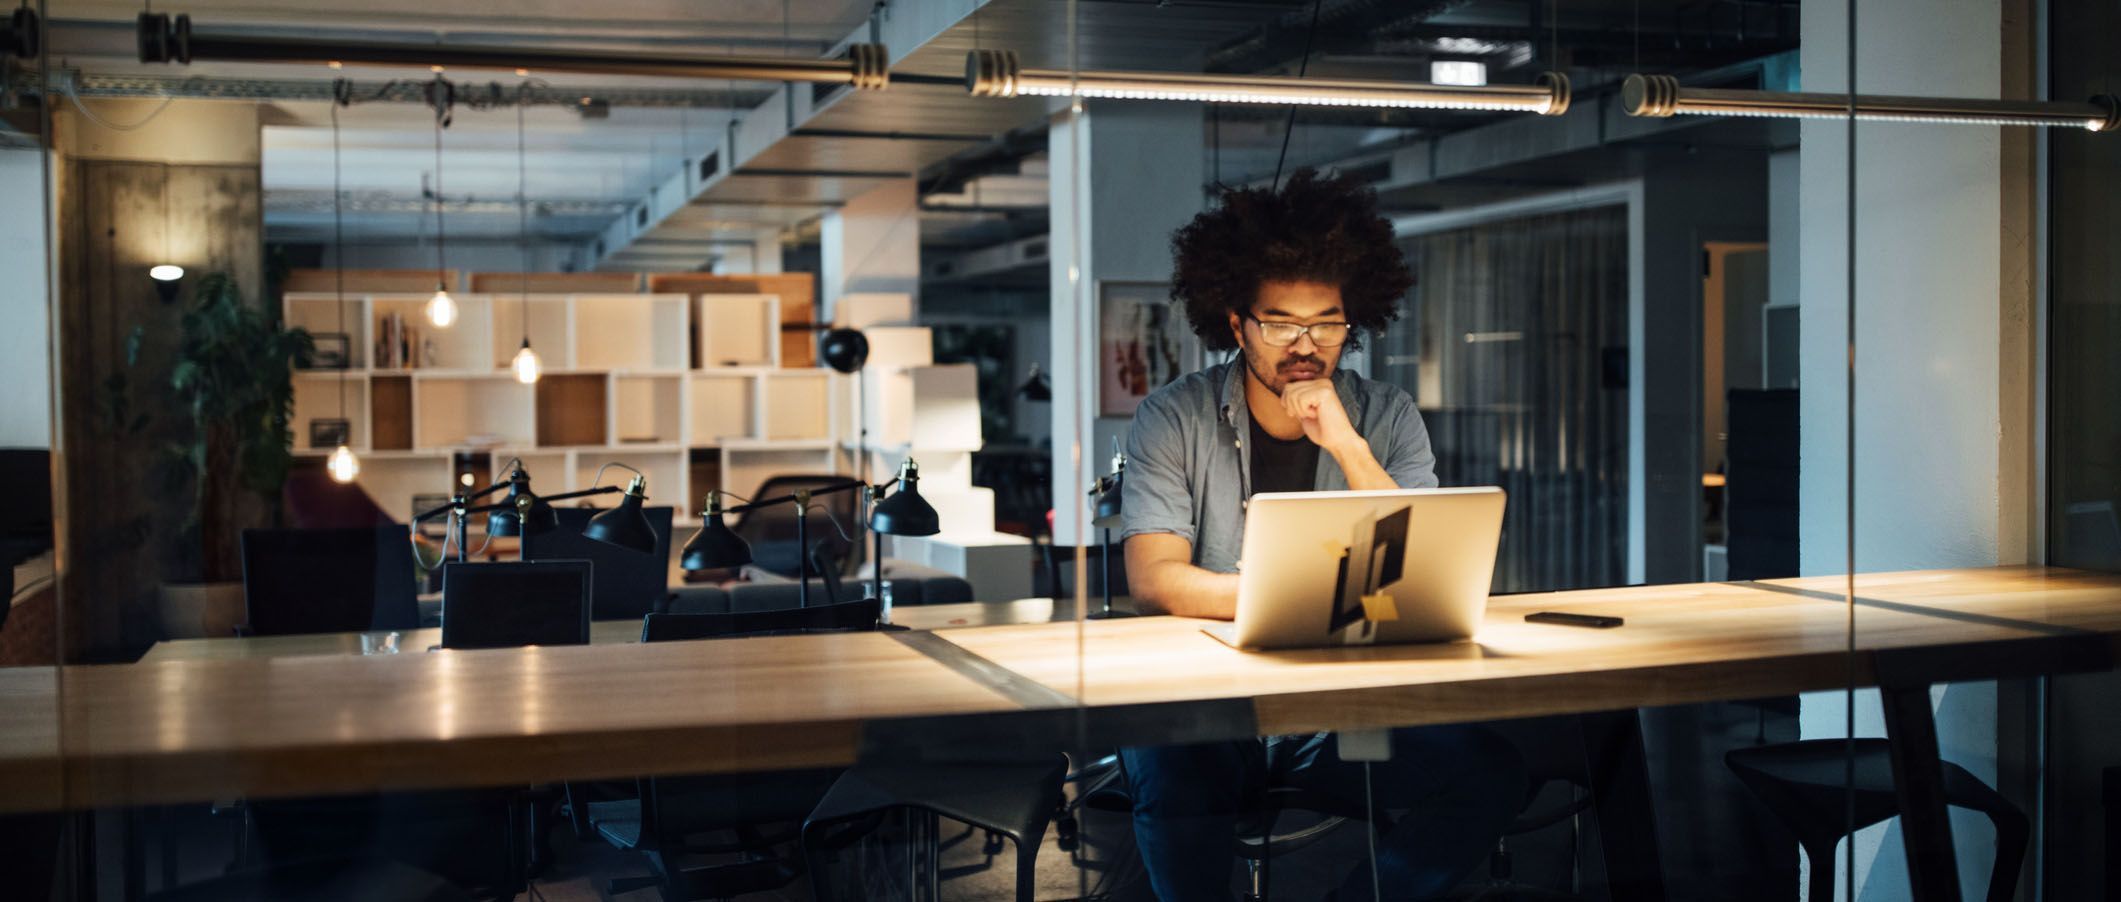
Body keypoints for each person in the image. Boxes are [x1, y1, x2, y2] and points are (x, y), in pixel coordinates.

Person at [1117, 168, 1526, 901]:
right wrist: (1298, 597)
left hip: (1340, 707)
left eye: (1326, 322)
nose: (1304, 345)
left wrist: (1346, 444)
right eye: (1279, 322)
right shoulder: (1171, 417)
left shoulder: (1387, 415)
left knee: (1491, 773)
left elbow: (1416, 564)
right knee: (1174, 773)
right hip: (1211, 702)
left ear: (1351, 322)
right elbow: (1154, 579)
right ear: (1237, 324)